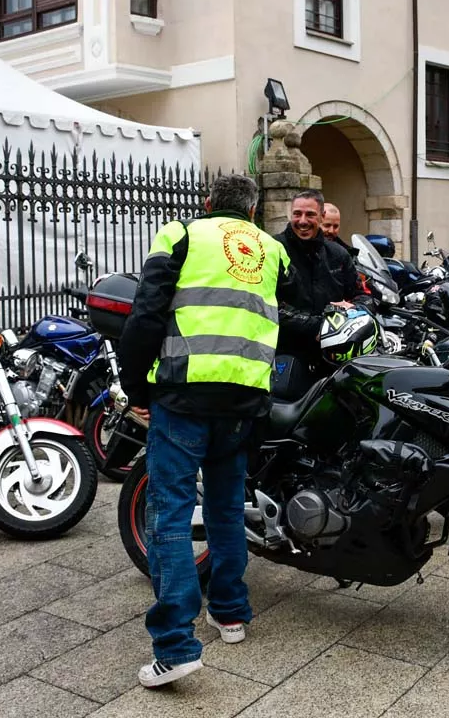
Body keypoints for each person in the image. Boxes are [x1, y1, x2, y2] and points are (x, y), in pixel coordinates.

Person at [118, 174, 291, 688]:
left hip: (185, 395)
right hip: (244, 400)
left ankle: (175, 647)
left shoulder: (181, 235)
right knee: (224, 507)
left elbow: (147, 314)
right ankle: (231, 613)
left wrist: (136, 385)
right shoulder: (271, 251)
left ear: (208, 203)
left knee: (169, 513)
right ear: (254, 211)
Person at [275, 190, 368, 387]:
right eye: (297, 214)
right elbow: (267, 304)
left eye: (310, 215)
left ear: (321, 215)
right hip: (286, 355)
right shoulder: (273, 249)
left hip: (333, 359)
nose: (302, 221)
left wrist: (353, 310)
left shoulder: (339, 254)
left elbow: (364, 296)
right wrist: (316, 326)